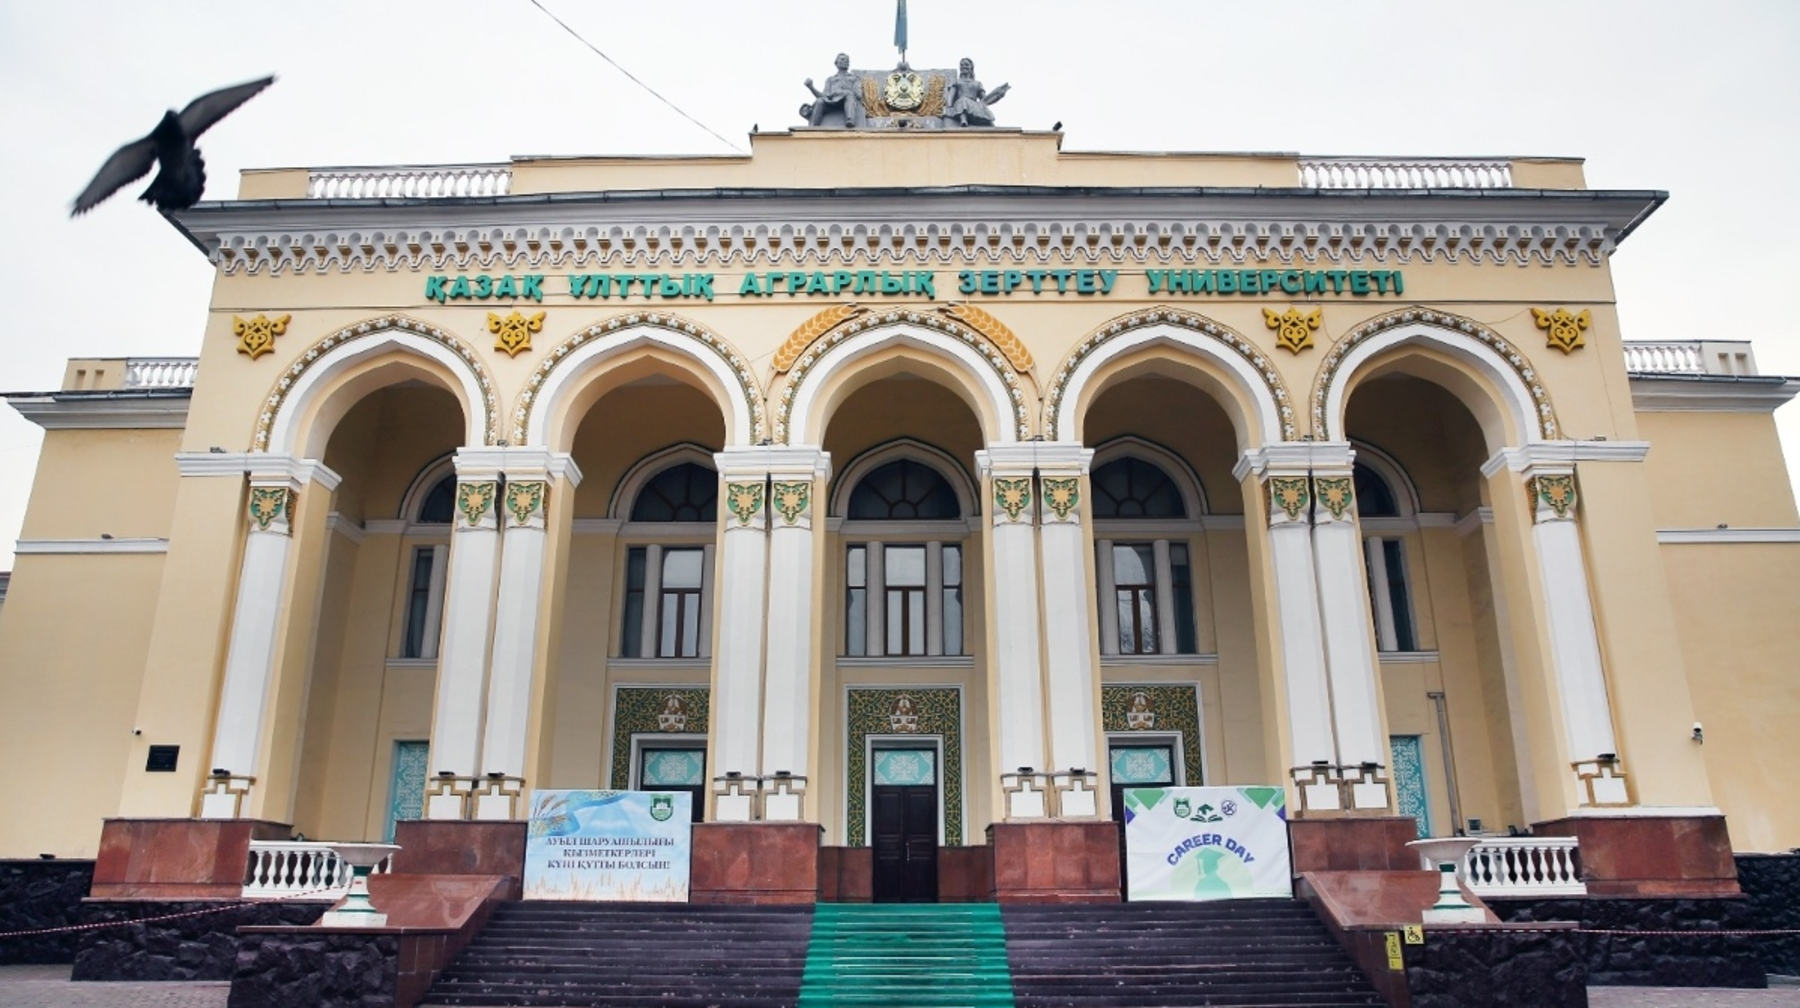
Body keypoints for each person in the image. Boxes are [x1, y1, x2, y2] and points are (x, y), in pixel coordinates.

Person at [803, 53, 865, 128]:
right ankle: (814, 126)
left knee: (850, 94)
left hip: (847, 101)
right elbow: (823, 96)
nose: (845, 61)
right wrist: (811, 87)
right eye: (842, 59)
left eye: (847, 60)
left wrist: (846, 92)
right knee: (819, 101)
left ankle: (850, 120)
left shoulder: (855, 79)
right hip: (832, 102)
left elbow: (859, 95)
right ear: (836, 63)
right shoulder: (830, 80)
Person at [944, 58, 1009, 127]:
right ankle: (963, 120)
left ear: (971, 67)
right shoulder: (956, 81)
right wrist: (949, 106)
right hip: (960, 103)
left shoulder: (977, 83)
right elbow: (950, 95)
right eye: (962, 65)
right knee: (963, 101)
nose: (963, 66)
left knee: (982, 108)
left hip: (973, 104)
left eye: (966, 64)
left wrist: (997, 94)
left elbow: (984, 99)